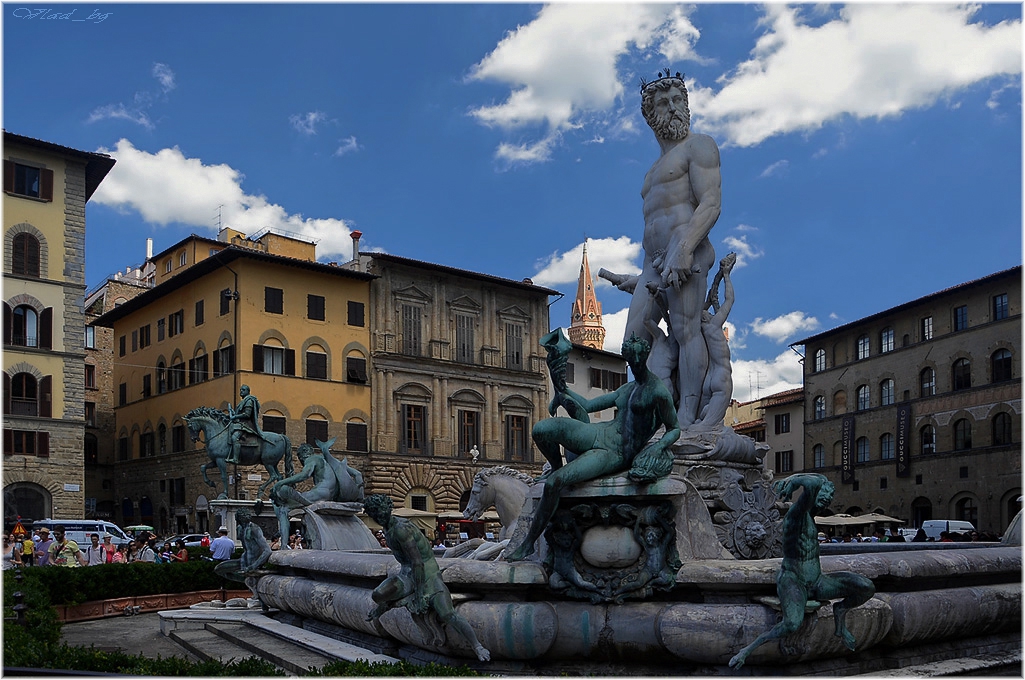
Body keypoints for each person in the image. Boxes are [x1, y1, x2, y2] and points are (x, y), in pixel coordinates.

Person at [505, 334, 680, 561]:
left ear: (644, 358)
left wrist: (658, 447)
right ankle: (557, 465)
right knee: (541, 430)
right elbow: (587, 406)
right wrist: (562, 387)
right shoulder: (627, 389)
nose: (634, 365)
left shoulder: (658, 392)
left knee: (554, 483)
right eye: (631, 361)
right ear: (627, 359)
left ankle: (528, 543)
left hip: (616, 452)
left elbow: (674, 428)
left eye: (638, 361)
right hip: (600, 432)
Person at [621, 70, 722, 428]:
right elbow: (653, 225)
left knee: (685, 330)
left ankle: (686, 417)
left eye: (679, 100)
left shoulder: (700, 146)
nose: (674, 108)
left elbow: (710, 203)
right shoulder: (651, 173)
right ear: (651, 116)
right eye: (664, 103)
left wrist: (685, 248)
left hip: (687, 248)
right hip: (653, 261)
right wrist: (638, 276)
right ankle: (652, 413)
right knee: (633, 340)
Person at [728, 474, 875, 669]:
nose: (825, 503)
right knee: (792, 625)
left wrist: (801, 480)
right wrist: (794, 482)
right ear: (811, 497)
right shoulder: (796, 514)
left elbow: (815, 482)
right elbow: (812, 483)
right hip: (793, 579)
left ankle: (840, 611)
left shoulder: (812, 519)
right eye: (822, 498)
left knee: (866, 587)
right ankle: (747, 650)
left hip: (818, 582)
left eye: (828, 500)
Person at [363, 494, 490, 662]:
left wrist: (420, 593)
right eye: (376, 513)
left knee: (447, 614)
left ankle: (477, 646)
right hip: (407, 574)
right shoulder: (387, 529)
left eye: (382, 510)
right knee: (378, 594)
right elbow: (409, 564)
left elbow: (417, 562)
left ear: (388, 508)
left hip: (428, 573)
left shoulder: (401, 529)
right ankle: (385, 606)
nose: (380, 515)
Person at [227, 384, 267, 463]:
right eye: (240, 390)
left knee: (235, 438)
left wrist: (234, 417)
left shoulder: (249, 401)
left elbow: (247, 415)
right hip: (240, 424)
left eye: (243, 390)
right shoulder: (243, 401)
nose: (241, 391)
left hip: (246, 425)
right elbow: (239, 414)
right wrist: (232, 412)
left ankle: (235, 458)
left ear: (248, 392)